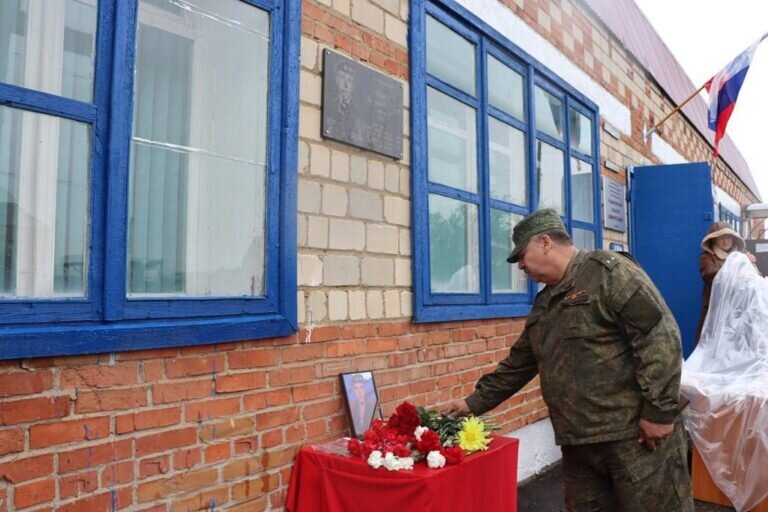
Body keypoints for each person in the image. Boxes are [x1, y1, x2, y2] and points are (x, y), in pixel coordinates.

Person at [444, 208, 693, 512]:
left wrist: (658, 413)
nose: (520, 265)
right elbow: (520, 363)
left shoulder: (609, 274)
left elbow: (659, 337)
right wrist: (472, 403)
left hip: (634, 440)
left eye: (522, 255)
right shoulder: (545, 302)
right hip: (579, 445)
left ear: (545, 242)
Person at [696, 221, 755, 343]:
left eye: (729, 238)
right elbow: (709, 274)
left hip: (737, 309)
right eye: (721, 238)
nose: (726, 241)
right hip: (716, 308)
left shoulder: (740, 256)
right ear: (714, 240)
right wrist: (734, 265)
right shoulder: (707, 257)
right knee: (712, 343)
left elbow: (754, 278)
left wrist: (750, 263)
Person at [347, 373, 377, 437]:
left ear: (365, 389)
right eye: (356, 388)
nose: (359, 392)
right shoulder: (353, 411)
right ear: (353, 392)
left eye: (361, 387)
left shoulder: (373, 408)